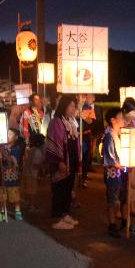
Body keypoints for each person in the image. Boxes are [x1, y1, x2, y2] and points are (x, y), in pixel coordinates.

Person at [45, 95, 80, 230]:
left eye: (74, 106)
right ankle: (57, 217)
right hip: (62, 160)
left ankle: (65, 214)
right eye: (71, 106)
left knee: (68, 187)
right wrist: (60, 161)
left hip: (71, 160)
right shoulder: (56, 122)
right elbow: (55, 142)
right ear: (64, 106)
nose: (73, 109)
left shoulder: (70, 121)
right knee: (59, 187)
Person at [0, 128, 26, 222]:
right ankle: (2, 213)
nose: (8, 135)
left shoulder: (17, 148)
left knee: (15, 195)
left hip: (12, 176)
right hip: (1, 175)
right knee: (2, 196)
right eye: (7, 133)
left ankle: (17, 212)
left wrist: (4, 152)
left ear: (16, 137)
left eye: (10, 134)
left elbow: (12, 160)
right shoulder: (2, 146)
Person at [102, 108, 128, 238]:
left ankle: (122, 221)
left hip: (121, 171)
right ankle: (111, 224)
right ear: (113, 120)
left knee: (121, 197)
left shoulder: (117, 134)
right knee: (113, 199)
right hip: (113, 173)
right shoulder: (109, 137)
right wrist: (121, 164)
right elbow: (109, 158)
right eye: (121, 117)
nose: (123, 119)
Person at [20, 93, 45, 214]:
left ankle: (30, 202)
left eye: (39, 99)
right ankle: (30, 202)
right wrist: (27, 145)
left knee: (32, 174)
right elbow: (24, 130)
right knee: (30, 174)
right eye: (37, 100)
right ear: (31, 101)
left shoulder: (42, 112)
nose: (39, 101)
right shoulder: (27, 113)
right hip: (31, 146)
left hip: (40, 145)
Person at [121, 98, 135, 220]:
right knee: (123, 185)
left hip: (133, 159)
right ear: (125, 110)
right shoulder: (118, 121)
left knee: (133, 184)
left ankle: (132, 207)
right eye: (133, 112)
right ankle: (121, 210)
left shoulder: (134, 122)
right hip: (122, 160)